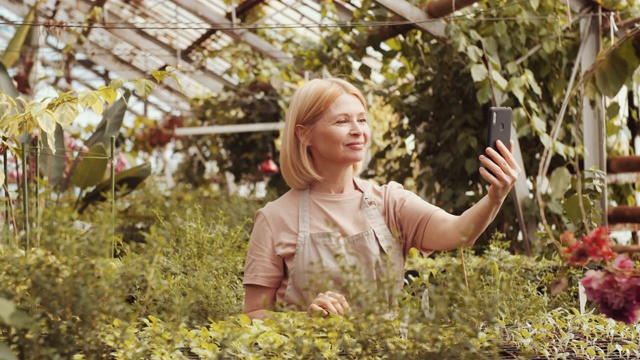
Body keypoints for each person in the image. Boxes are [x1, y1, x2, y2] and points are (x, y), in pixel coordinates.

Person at [242, 77, 521, 320]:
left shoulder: (390, 202)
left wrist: (495, 196)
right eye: (342, 121)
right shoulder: (274, 218)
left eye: (361, 119)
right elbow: (253, 314)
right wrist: (306, 320)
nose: (357, 130)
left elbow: (459, 232)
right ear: (305, 134)